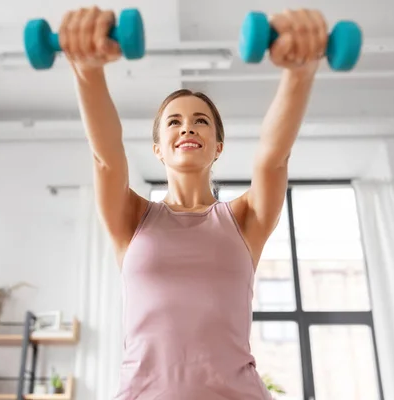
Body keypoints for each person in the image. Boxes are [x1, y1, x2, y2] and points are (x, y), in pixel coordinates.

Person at [60, 6, 327, 399]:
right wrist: (87, 70)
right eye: (174, 121)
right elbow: (106, 159)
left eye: (201, 120)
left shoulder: (244, 219)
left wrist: (299, 73)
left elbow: (273, 159)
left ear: (217, 146)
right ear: (158, 150)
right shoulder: (132, 218)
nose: (187, 126)